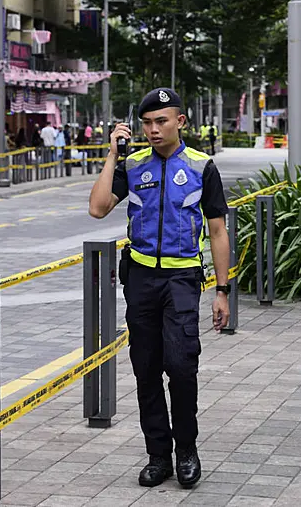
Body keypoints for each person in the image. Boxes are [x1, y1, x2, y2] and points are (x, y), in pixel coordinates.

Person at [88, 88, 231, 490]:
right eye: (146, 123)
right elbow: (98, 208)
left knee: (182, 367)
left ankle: (186, 448)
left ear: (180, 122)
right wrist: (113, 154)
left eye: (161, 121)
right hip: (141, 278)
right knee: (146, 368)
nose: (152, 130)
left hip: (182, 279)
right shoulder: (132, 165)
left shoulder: (203, 167)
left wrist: (223, 290)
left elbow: (218, 232)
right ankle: (158, 456)